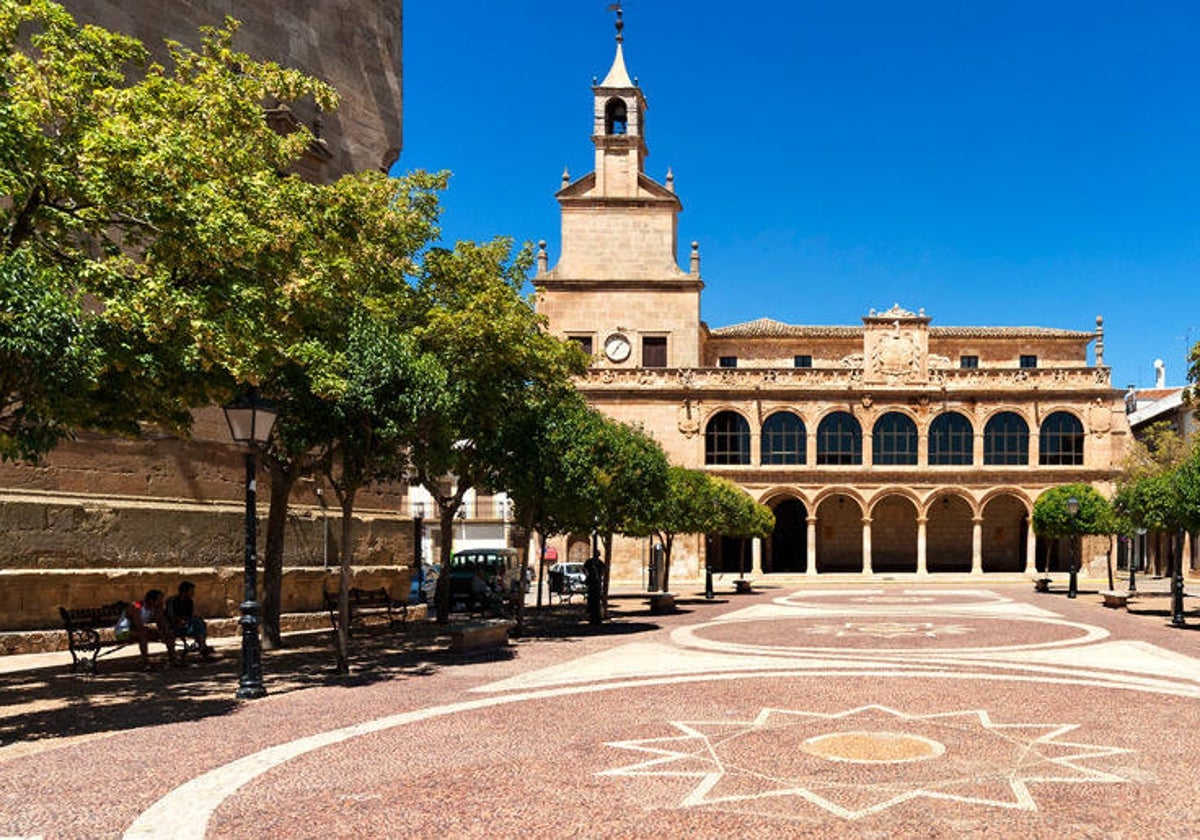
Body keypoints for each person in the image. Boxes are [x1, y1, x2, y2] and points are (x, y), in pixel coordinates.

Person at [114, 589, 178, 670]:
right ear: (151, 600)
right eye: (159, 600)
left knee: (169, 633)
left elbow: (162, 624)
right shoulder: (136, 605)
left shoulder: (154, 608)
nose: (161, 602)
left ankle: (173, 659)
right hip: (122, 633)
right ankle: (145, 663)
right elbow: (138, 626)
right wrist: (151, 631)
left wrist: (164, 630)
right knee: (143, 634)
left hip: (138, 631)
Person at [165, 581, 215, 661]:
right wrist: (180, 621)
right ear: (185, 591)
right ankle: (202, 648)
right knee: (198, 624)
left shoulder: (189, 602)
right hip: (173, 625)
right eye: (191, 591)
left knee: (199, 623)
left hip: (186, 624)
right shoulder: (173, 601)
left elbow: (189, 616)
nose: (193, 594)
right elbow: (170, 615)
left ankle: (202, 647)